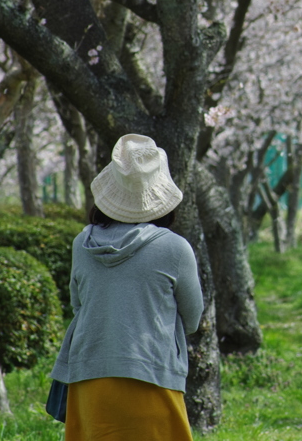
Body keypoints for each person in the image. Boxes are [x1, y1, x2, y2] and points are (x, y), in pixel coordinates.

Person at [51, 134, 204, 441]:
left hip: (89, 374)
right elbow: (193, 317)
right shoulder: (174, 248)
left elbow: (79, 305)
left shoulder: (83, 243)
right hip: (151, 372)